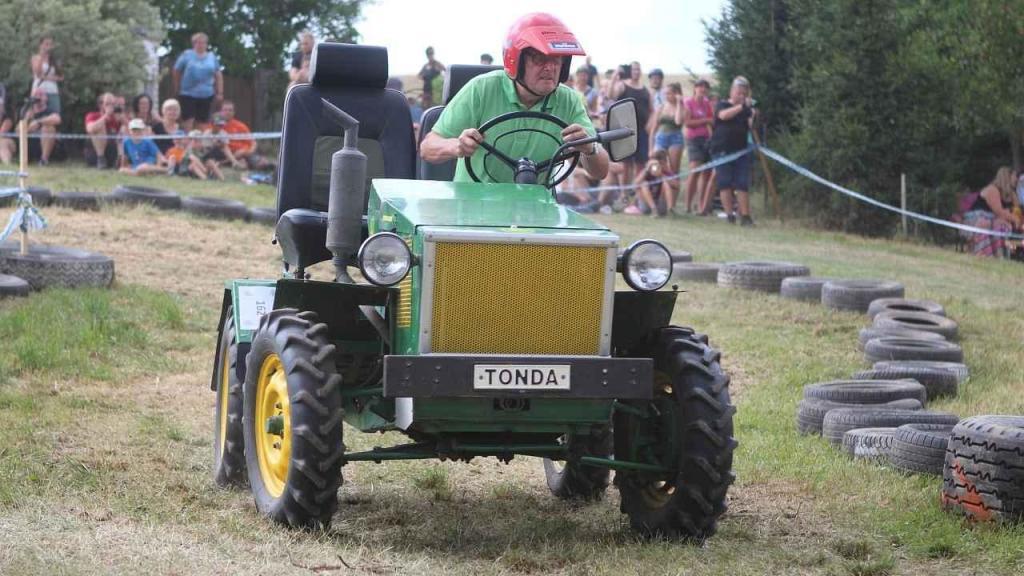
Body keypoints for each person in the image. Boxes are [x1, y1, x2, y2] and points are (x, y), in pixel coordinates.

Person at [420, 12, 609, 185]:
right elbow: (428, 147)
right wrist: (456, 146)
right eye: (539, 59)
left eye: (557, 59)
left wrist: (589, 148)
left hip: (535, 209)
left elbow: (600, 172)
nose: (550, 67)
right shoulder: (481, 89)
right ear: (515, 60)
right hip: (473, 208)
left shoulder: (569, 101)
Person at [708, 76, 756, 226]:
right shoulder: (722, 104)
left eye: (744, 93)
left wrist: (752, 114)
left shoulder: (746, 110)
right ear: (732, 91)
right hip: (722, 150)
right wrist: (742, 107)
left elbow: (750, 126)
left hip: (741, 151)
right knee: (724, 183)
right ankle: (730, 215)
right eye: (739, 92)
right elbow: (723, 116)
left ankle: (746, 216)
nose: (741, 96)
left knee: (742, 183)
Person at [962, 167, 1022, 257]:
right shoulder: (992, 189)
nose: (1016, 179)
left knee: (1003, 227)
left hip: (994, 219)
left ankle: (1004, 255)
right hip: (978, 218)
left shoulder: (1011, 194)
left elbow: (1017, 210)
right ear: (1007, 177)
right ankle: (984, 254)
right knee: (987, 224)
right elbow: (999, 211)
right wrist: (1014, 219)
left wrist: (1017, 218)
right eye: (1014, 176)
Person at [611, 61, 654, 183]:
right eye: (634, 69)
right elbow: (611, 95)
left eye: (638, 69)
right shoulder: (622, 85)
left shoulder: (645, 89)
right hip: (626, 130)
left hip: (642, 131)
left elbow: (652, 110)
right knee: (626, 164)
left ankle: (636, 193)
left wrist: (650, 124)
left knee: (641, 163)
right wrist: (615, 76)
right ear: (630, 71)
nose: (636, 71)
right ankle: (625, 194)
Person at [173, 32, 224, 130]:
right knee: (188, 120)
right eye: (198, 43)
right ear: (194, 44)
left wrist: (220, 92)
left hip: (206, 94)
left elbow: (218, 74)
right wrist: (177, 86)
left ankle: (200, 143)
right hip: (188, 93)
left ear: (206, 44)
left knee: (203, 122)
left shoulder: (211, 57)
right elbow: (176, 70)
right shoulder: (187, 55)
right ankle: (188, 142)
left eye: (203, 43)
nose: (201, 45)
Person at [684, 79, 715, 214]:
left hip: (707, 139)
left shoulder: (707, 104)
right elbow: (687, 122)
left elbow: (712, 121)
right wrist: (705, 121)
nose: (703, 89)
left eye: (705, 87)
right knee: (694, 171)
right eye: (700, 86)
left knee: (706, 173)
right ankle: (687, 205)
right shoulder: (688, 102)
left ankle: (701, 206)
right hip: (693, 139)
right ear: (695, 88)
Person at [84, 92, 125, 169]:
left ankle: (120, 159)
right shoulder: (92, 115)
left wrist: (124, 121)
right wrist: (105, 116)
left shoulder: (117, 117)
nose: (111, 107)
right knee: (99, 127)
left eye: (113, 104)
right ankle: (101, 158)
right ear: (100, 105)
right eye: (107, 104)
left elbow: (134, 131)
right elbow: (90, 129)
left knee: (123, 128)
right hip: (95, 154)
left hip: (113, 152)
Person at [652, 82, 684, 177]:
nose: (666, 96)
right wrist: (650, 148)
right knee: (655, 165)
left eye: (669, 93)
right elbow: (654, 128)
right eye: (665, 93)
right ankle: (657, 189)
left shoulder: (682, 108)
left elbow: (678, 121)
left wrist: (678, 102)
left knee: (674, 170)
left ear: (676, 94)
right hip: (660, 137)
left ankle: (673, 188)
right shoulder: (661, 107)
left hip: (675, 138)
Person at [633, 149, 677, 217]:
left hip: (660, 204)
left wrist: (662, 175)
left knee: (666, 183)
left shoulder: (666, 172)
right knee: (644, 184)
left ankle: (670, 209)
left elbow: (676, 185)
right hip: (646, 205)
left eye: (661, 163)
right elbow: (635, 185)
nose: (658, 166)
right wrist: (647, 169)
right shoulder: (648, 170)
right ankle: (653, 209)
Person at [30, 36, 62, 125]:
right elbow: (38, 73)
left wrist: (46, 77)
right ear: (40, 45)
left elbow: (61, 76)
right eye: (46, 44)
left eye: (50, 44)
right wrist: (42, 56)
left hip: (53, 91)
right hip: (40, 91)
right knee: (39, 114)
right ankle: (34, 124)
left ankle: (38, 122)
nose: (48, 46)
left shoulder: (54, 60)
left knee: (56, 118)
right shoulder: (35, 58)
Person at [0, 86, 15, 165]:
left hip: (9, 142)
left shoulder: (8, 118)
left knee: (2, 143)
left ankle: (7, 165)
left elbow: (1, 134)